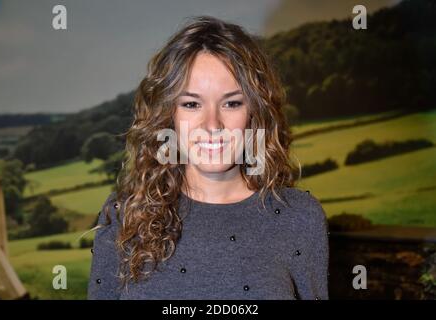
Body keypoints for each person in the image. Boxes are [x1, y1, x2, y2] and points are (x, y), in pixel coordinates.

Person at [87, 15, 329, 300]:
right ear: (169, 114)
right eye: (191, 104)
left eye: (231, 103)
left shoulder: (300, 216)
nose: (212, 125)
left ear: (254, 112)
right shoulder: (124, 215)